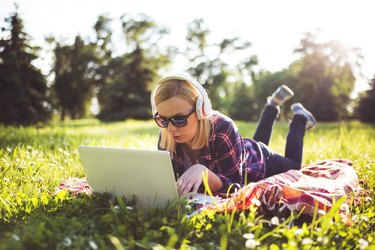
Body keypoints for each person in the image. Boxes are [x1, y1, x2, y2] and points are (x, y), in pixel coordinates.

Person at [150, 72, 317, 196]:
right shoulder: (166, 134)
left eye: (179, 119)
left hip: (260, 161)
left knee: (294, 166)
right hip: (240, 150)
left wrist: (206, 174)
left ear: (201, 111)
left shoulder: (223, 127)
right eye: (163, 119)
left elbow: (235, 190)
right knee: (258, 141)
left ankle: (300, 118)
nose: (171, 129)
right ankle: (272, 105)